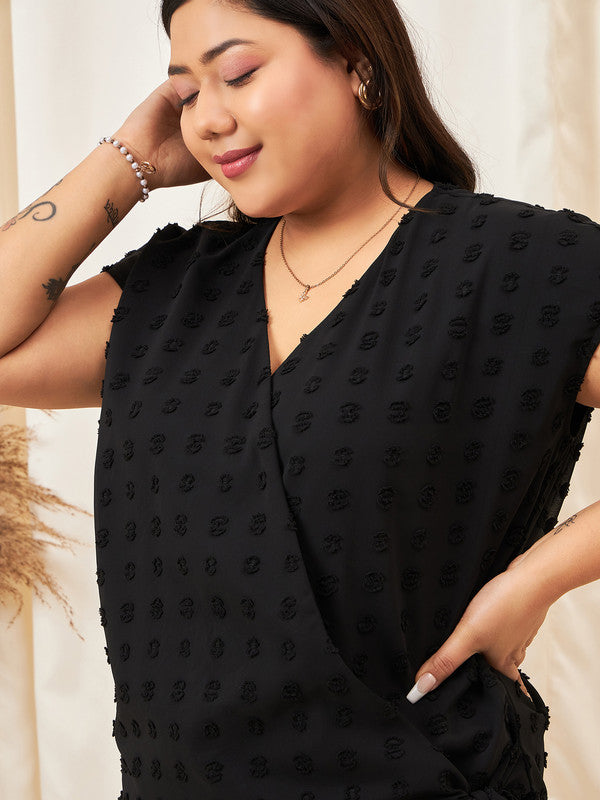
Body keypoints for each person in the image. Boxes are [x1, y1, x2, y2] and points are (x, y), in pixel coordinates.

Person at [1, 0, 600, 798]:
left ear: (358, 64)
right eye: (186, 94)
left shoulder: (517, 263)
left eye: (239, 73)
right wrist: (129, 161)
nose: (208, 119)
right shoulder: (174, 290)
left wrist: (534, 583)